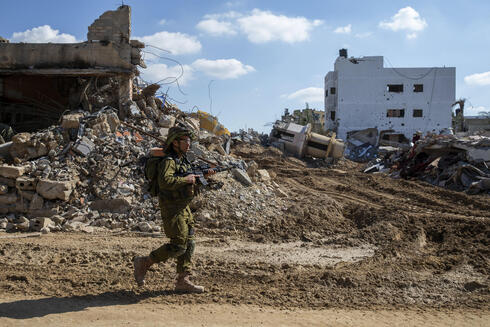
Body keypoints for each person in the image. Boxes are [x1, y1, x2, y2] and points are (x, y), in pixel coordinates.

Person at [133, 126, 213, 293]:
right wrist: (186, 180)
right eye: (185, 141)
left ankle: (183, 280)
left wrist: (202, 177)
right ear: (175, 142)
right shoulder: (169, 161)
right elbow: (165, 182)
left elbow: (188, 178)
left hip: (184, 207)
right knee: (178, 246)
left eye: (189, 141)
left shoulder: (182, 160)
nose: (189, 144)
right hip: (171, 208)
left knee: (189, 242)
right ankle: (144, 262)